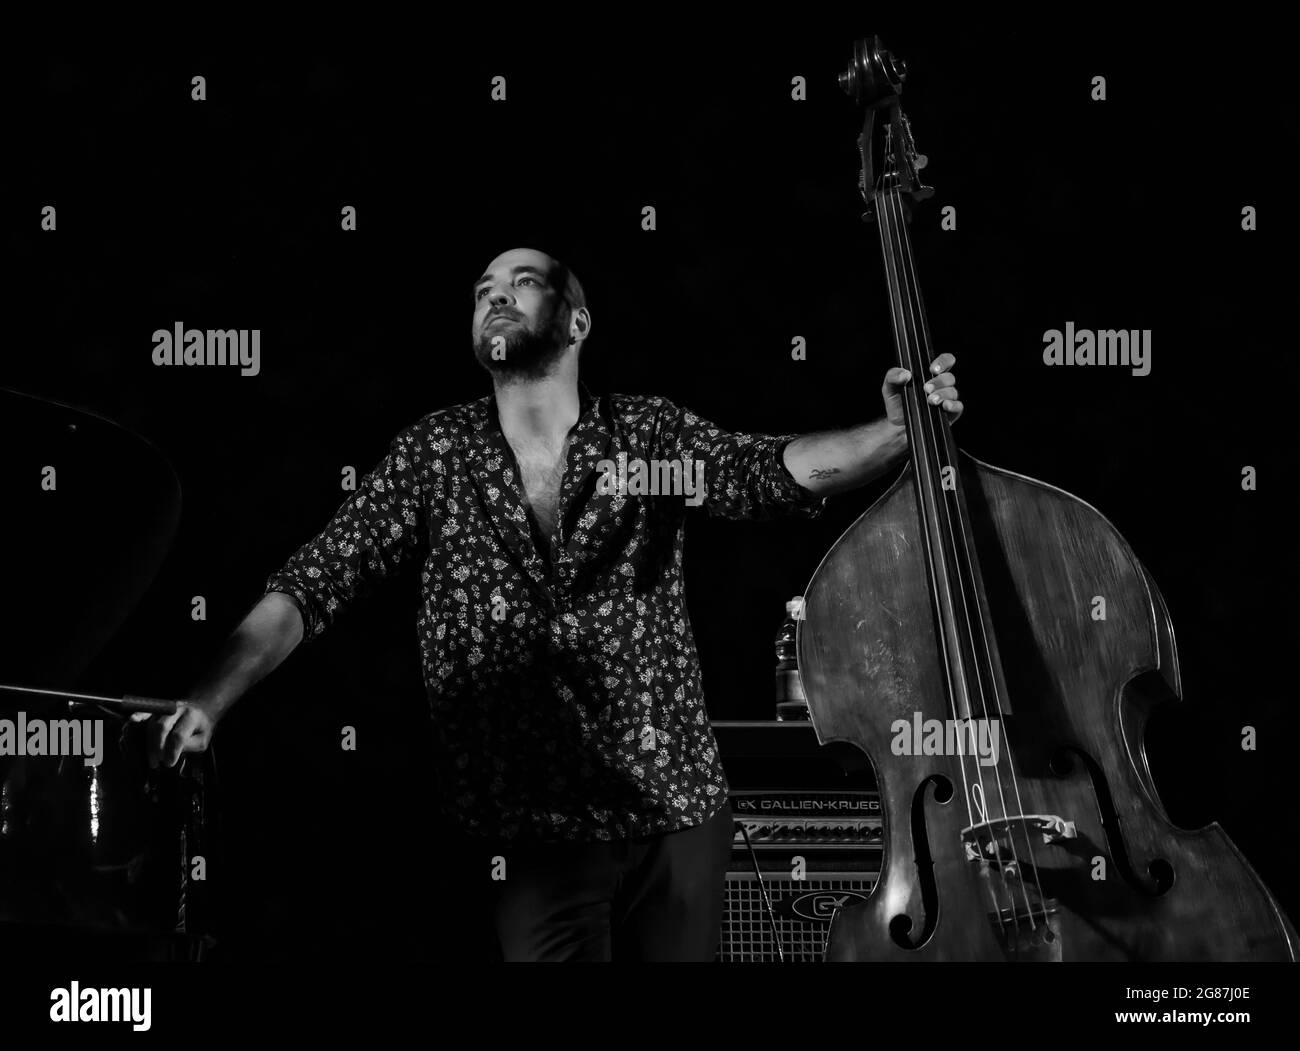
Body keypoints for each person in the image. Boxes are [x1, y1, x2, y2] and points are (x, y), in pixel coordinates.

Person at [140, 246, 962, 961]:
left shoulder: (646, 436)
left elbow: (768, 470)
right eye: (482, 288)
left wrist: (894, 434)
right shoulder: (436, 454)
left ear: (575, 322)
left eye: (523, 282)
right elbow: (314, 582)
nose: (494, 294)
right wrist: (213, 696)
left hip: (674, 820)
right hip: (529, 842)